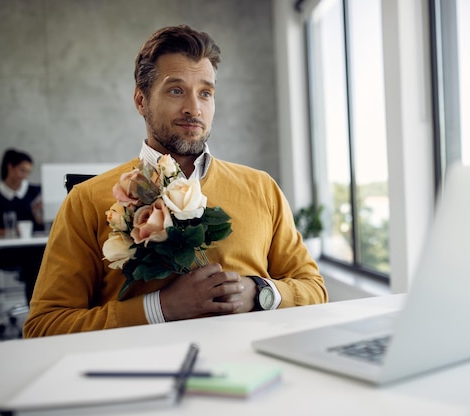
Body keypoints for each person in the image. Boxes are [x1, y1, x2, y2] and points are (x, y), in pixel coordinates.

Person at [23, 25, 328, 337]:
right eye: (176, 90)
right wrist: (161, 308)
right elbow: (43, 327)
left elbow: (314, 289)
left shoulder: (263, 188)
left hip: (252, 370)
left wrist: (259, 292)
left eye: (205, 93)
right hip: (137, 377)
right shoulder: (86, 201)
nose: (194, 108)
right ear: (141, 101)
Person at [0, 149, 45, 304]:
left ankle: (39, 307)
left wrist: (40, 214)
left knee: (42, 259)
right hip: (9, 251)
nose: (25, 175)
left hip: (34, 248)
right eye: (22, 170)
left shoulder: (35, 191)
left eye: (28, 172)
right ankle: (35, 309)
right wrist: (15, 231)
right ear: (10, 167)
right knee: (35, 264)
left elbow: (41, 224)